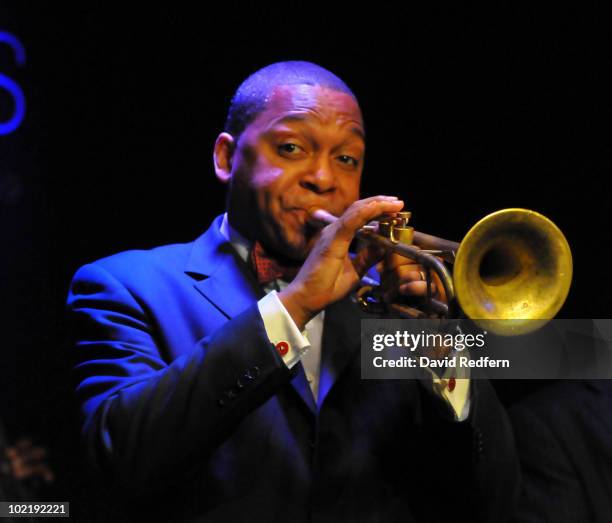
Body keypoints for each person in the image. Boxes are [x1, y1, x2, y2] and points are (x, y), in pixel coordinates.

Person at [67, 61, 519, 522]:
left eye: (347, 159)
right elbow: (118, 459)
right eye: (291, 147)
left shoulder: (393, 309)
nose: (323, 179)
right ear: (226, 158)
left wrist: (441, 354)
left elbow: (495, 501)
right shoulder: (125, 285)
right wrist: (295, 304)